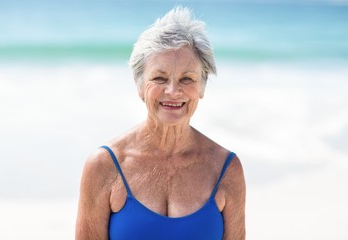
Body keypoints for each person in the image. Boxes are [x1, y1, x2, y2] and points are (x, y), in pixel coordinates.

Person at [75, 6, 246, 240]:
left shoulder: (226, 169)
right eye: (159, 78)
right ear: (139, 86)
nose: (173, 91)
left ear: (202, 88)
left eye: (187, 79)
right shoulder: (105, 166)